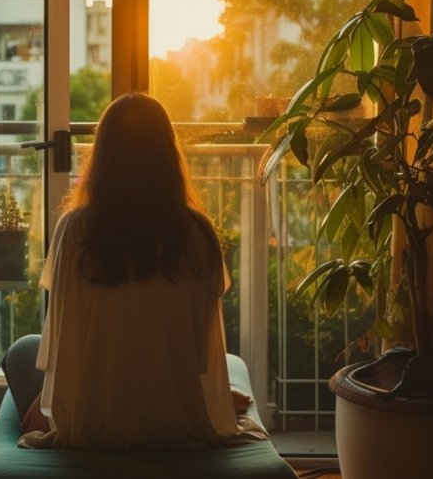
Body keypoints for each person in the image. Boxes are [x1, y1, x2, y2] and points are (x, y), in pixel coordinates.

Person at [18, 92, 263, 450]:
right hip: (173, 420)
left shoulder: (74, 230)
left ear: (101, 156)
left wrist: (48, 402)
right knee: (28, 351)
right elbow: (198, 350)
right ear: (168, 154)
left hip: (92, 420)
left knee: (23, 351)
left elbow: (64, 338)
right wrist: (217, 398)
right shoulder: (196, 232)